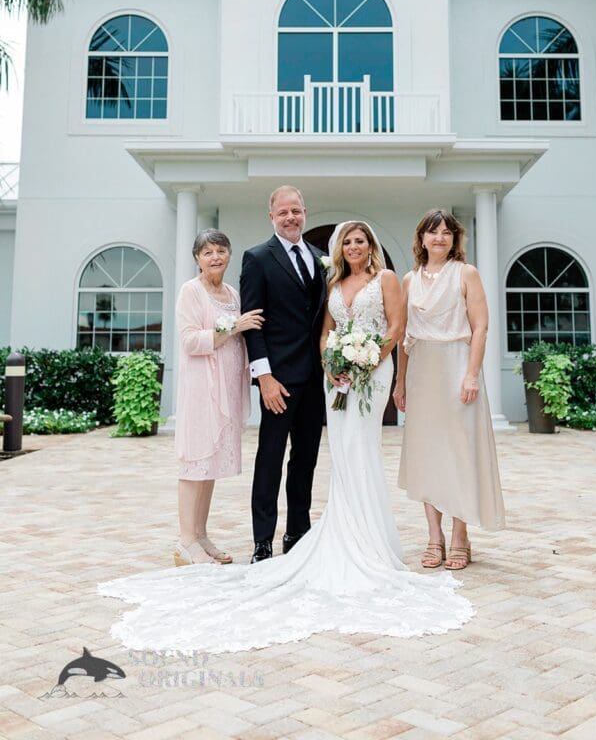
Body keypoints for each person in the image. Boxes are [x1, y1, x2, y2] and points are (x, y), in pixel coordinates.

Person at [98, 220, 475, 654]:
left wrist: (366, 360)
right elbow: (304, 329)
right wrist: (290, 371)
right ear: (274, 215)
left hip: (351, 377)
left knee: (332, 456)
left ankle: (314, 535)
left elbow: (393, 326)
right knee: (278, 457)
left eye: (360, 240)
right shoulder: (274, 264)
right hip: (303, 377)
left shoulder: (356, 273)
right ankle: (263, 542)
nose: (354, 246)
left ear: (369, 244)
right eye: (348, 241)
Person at [394, 210, 505, 572]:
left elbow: (481, 328)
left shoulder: (466, 274)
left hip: (457, 366)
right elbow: (404, 336)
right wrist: (400, 382)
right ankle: (434, 536)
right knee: (426, 453)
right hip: (422, 372)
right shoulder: (409, 280)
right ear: (421, 238)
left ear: (455, 238)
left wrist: (471, 375)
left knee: (460, 452)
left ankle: (460, 534)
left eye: (446, 232)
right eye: (433, 232)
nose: (439, 237)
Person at [239, 185, 327, 562]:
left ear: (305, 212)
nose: (291, 218)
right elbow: (252, 323)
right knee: (270, 459)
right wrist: (264, 377)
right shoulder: (257, 258)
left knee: (305, 459)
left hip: (315, 380)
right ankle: (263, 541)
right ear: (271, 216)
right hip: (277, 380)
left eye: (296, 211)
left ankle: (297, 533)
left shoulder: (321, 259)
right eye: (283, 212)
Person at [173, 229, 264, 567]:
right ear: (197, 258)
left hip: (226, 388)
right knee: (195, 461)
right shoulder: (191, 291)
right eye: (208, 252)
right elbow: (190, 341)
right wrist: (233, 327)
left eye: (221, 251)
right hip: (201, 389)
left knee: (209, 464)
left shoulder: (231, 293)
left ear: (229, 254)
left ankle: (200, 534)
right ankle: (185, 541)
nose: (215, 257)